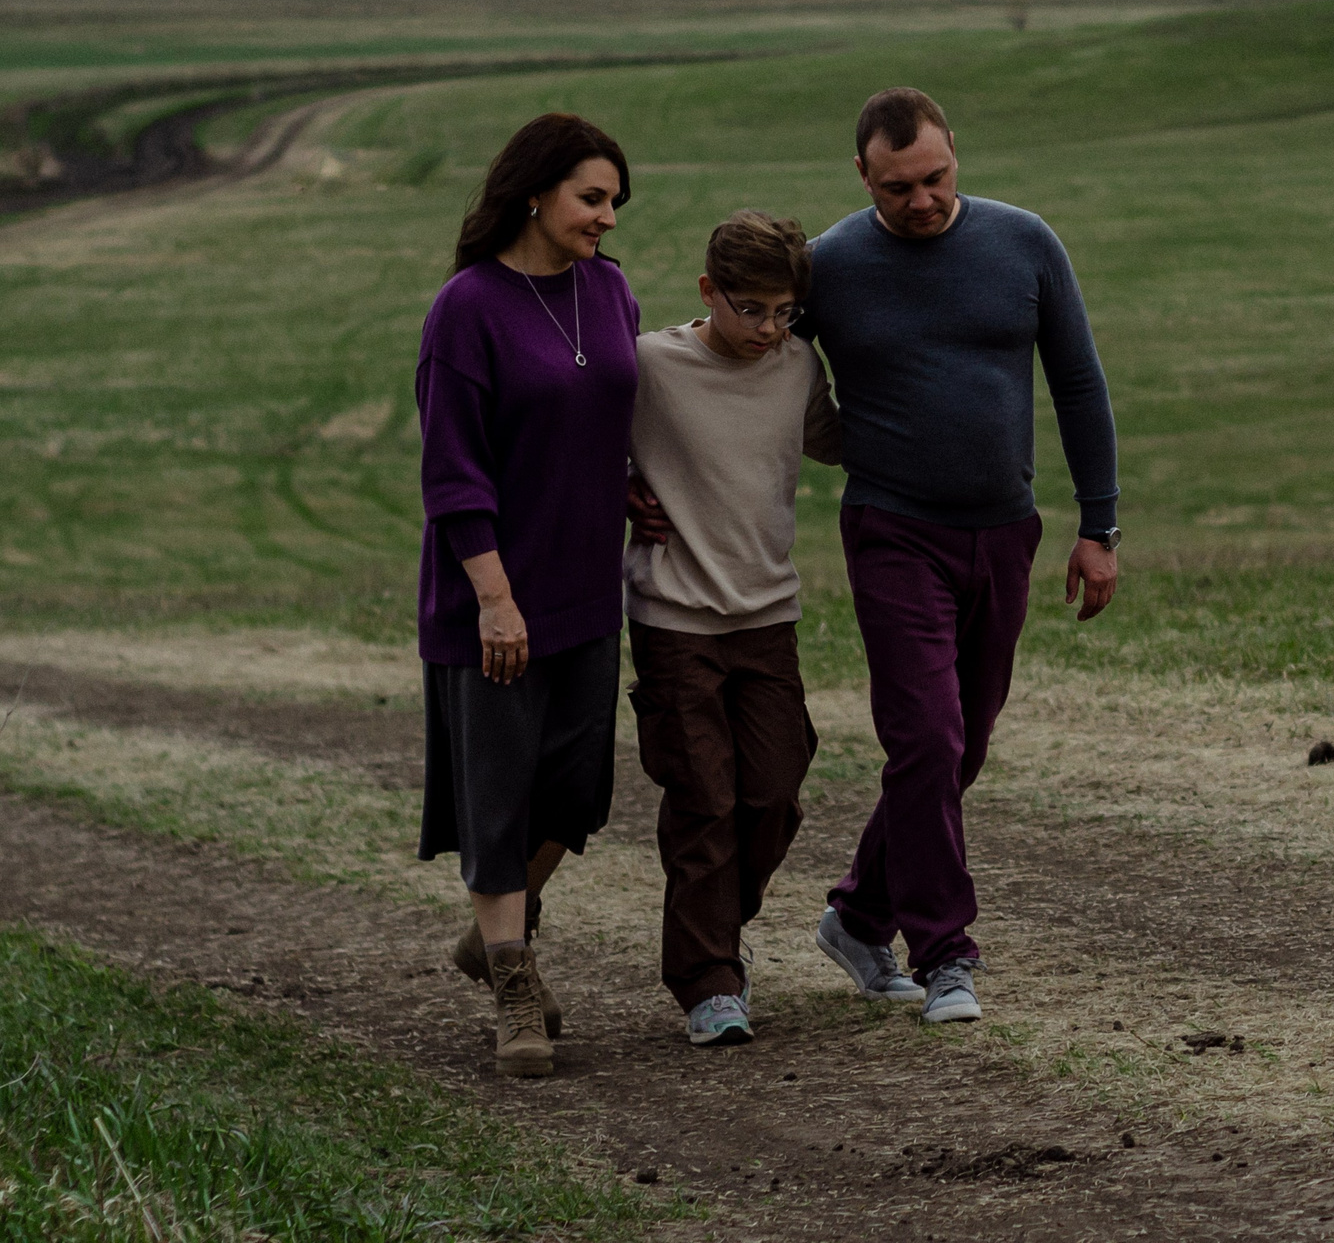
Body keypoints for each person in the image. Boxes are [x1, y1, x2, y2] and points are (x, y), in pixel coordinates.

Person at [798, 86, 1119, 1025]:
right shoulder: (829, 265)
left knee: (960, 746)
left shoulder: (1024, 243)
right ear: (863, 176)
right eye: (898, 187)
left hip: (1004, 530)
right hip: (893, 530)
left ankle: (858, 915)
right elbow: (746, 352)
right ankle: (945, 954)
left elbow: (1079, 382)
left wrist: (1098, 527)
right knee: (927, 739)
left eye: (935, 178)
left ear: (955, 156)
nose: (922, 200)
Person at [417, 113, 640, 1078]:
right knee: (499, 792)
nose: (607, 220)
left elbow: (609, 416)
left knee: (577, 792)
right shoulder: (466, 308)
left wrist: (633, 486)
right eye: (593, 199)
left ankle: (491, 934)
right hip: (495, 597)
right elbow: (453, 473)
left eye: (616, 204)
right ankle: (513, 979)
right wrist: (494, 601)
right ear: (537, 193)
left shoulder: (611, 291)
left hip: (590, 584)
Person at [622, 211, 840, 1047]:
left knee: (774, 791)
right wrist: (618, 487)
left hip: (767, 613)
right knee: (704, 798)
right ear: (709, 291)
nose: (769, 329)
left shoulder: (794, 367)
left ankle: (707, 925)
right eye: (750, 309)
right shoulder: (650, 364)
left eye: (785, 312)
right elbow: (577, 436)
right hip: (673, 616)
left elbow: (837, 440)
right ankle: (710, 980)